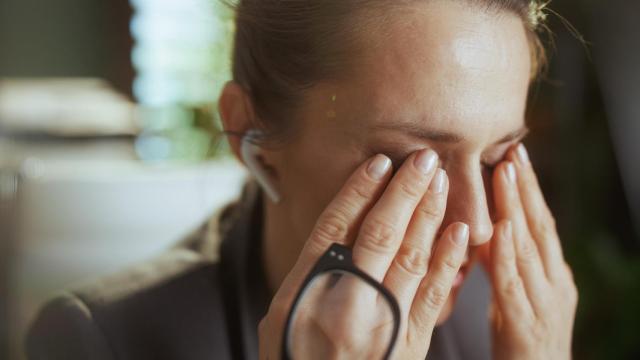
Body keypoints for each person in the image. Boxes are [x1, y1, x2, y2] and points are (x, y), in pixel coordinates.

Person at [26, 0, 578, 359]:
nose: (477, 226)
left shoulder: (500, 315)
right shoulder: (96, 340)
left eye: (496, 158)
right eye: (417, 163)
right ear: (254, 140)